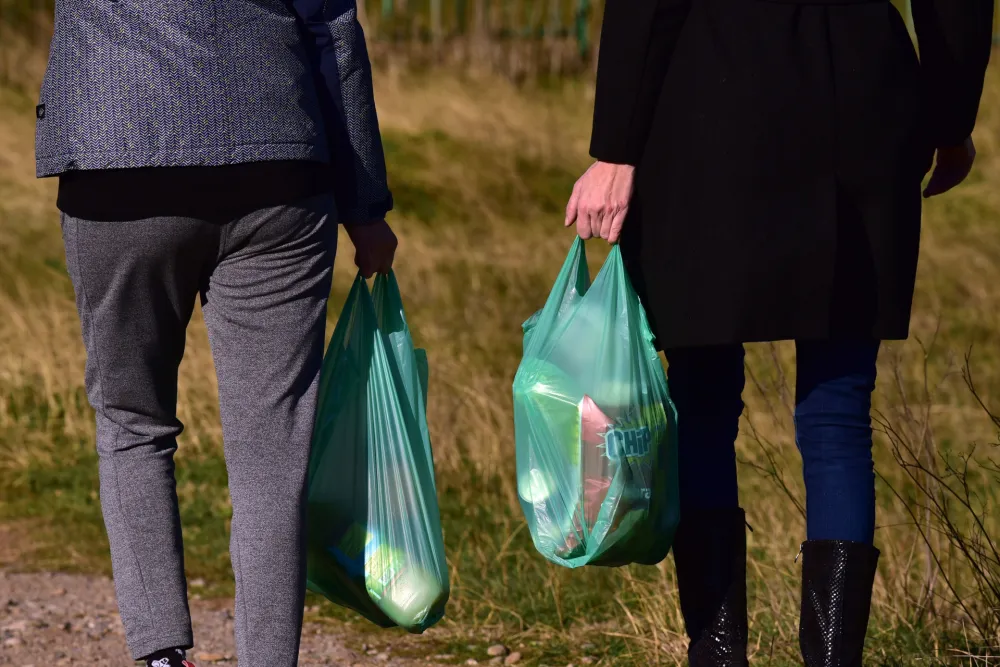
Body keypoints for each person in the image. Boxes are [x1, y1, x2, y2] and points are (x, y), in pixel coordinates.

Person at [565, 0, 994, 664]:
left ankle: (717, 654)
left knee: (704, 403)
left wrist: (616, 148)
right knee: (837, 414)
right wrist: (950, 119)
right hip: (862, 94)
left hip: (707, 107)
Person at [34, 1, 397, 665]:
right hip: (277, 165)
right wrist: (365, 206)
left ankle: (163, 658)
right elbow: (331, 29)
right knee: (272, 455)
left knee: (132, 422)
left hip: (117, 160)